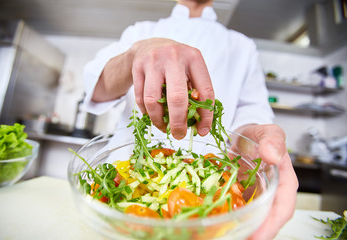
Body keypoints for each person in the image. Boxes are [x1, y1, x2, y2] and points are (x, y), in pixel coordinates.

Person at [83, 0, 299, 239]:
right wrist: (135, 54)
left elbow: (252, 117)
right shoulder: (139, 31)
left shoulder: (242, 46)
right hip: (122, 192)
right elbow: (94, 90)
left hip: (207, 202)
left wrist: (254, 144)